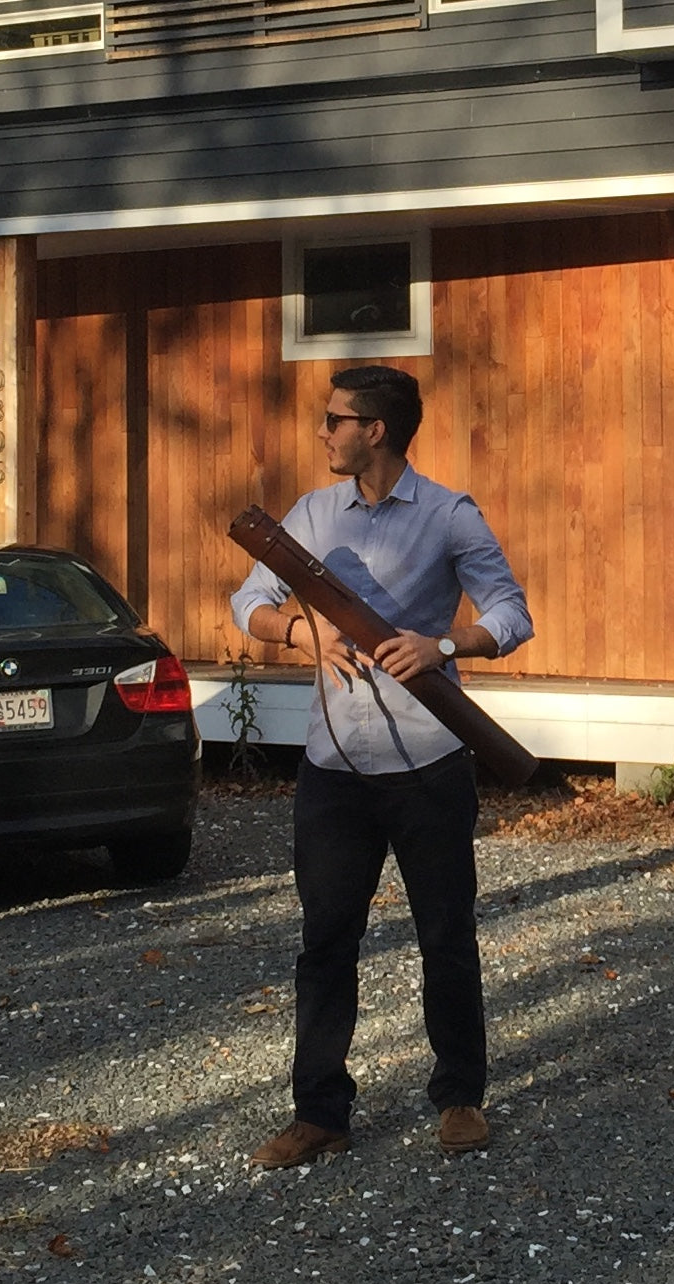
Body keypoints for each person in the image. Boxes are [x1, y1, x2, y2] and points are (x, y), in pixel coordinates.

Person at [230, 364, 534, 1166]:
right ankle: (319, 1112)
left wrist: (441, 643)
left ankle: (460, 1097)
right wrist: (299, 634)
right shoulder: (308, 515)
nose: (321, 431)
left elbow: (511, 613)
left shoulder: (447, 515)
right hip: (333, 769)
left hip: (430, 765)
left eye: (335, 419)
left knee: (445, 934)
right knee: (325, 941)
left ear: (376, 431)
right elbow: (245, 603)